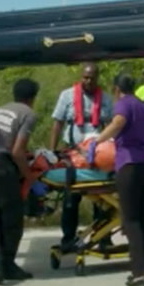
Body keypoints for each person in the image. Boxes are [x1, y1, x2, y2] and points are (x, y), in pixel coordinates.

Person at [88, 73, 144, 286]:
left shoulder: (123, 104)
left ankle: (141, 273)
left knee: (131, 220)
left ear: (116, 89)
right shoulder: (142, 105)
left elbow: (119, 121)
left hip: (131, 165)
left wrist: (98, 140)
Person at [0, 78, 41, 285]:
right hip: (0, 166)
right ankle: (8, 264)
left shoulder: (1, 109)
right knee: (12, 217)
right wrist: (31, 178)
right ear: (32, 98)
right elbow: (18, 152)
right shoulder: (28, 114)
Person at [47, 62, 113, 251]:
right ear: (80, 77)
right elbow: (57, 124)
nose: (88, 81)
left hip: (96, 154)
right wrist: (52, 154)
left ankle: (103, 236)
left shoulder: (106, 99)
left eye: (92, 78)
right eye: (85, 77)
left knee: (102, 198)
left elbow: (110, 126)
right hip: (73, 152)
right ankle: (68, 238)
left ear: (97, 78)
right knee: (71, 197)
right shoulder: (67, 96)